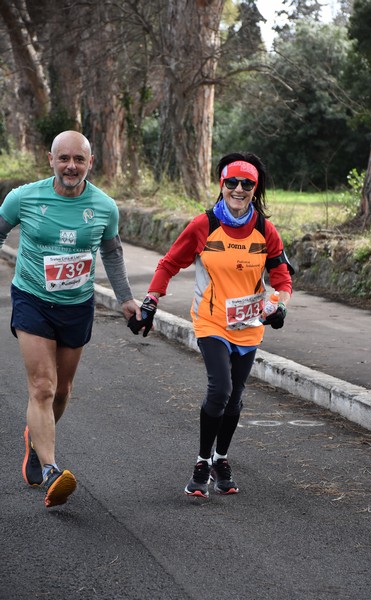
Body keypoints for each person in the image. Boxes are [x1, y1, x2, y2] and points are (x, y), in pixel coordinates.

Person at [128, 152, 293, 498]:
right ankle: (202, 462)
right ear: (222, 185)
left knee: (234, 400)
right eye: (231, 182)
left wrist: (279, 307)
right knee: (221, 390)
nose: (238, 188)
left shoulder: (265, 229)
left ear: (254, 188)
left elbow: (282, 278)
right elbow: (169, 264)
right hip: (211, 322)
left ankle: (221, 458)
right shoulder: (204, 225)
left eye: (246, 184)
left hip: (248, 326)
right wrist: (151, 301)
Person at [0, 130, 141, 508]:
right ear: (51, 160)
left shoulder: (104, 206)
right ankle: (51, 471)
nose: (71, 166)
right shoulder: (24, 197)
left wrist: (126, 299)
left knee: (61, 392)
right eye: (64, 158)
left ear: (90, 163)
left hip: (77, 304)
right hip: (31, 297)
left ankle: (35, 441)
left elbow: (112, 253)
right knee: (42, 387)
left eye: (78, 159)